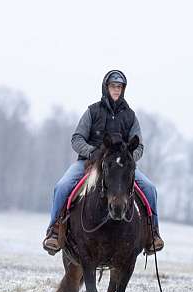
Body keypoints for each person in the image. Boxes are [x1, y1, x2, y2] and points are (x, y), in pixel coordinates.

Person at [42, 69, 164, 255]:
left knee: (150, 188)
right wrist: (92, 152)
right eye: (113, 86)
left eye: (120, 86)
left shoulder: (130, 116)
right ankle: (54, 230)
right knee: (62, 186)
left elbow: (139, 146)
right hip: (89, 163)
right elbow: (76, 139)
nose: (116, 89)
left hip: (120, 168)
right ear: (106, 87)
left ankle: (152, 235)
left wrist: (128, 159)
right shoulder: (92, 111)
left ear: (124, 89)